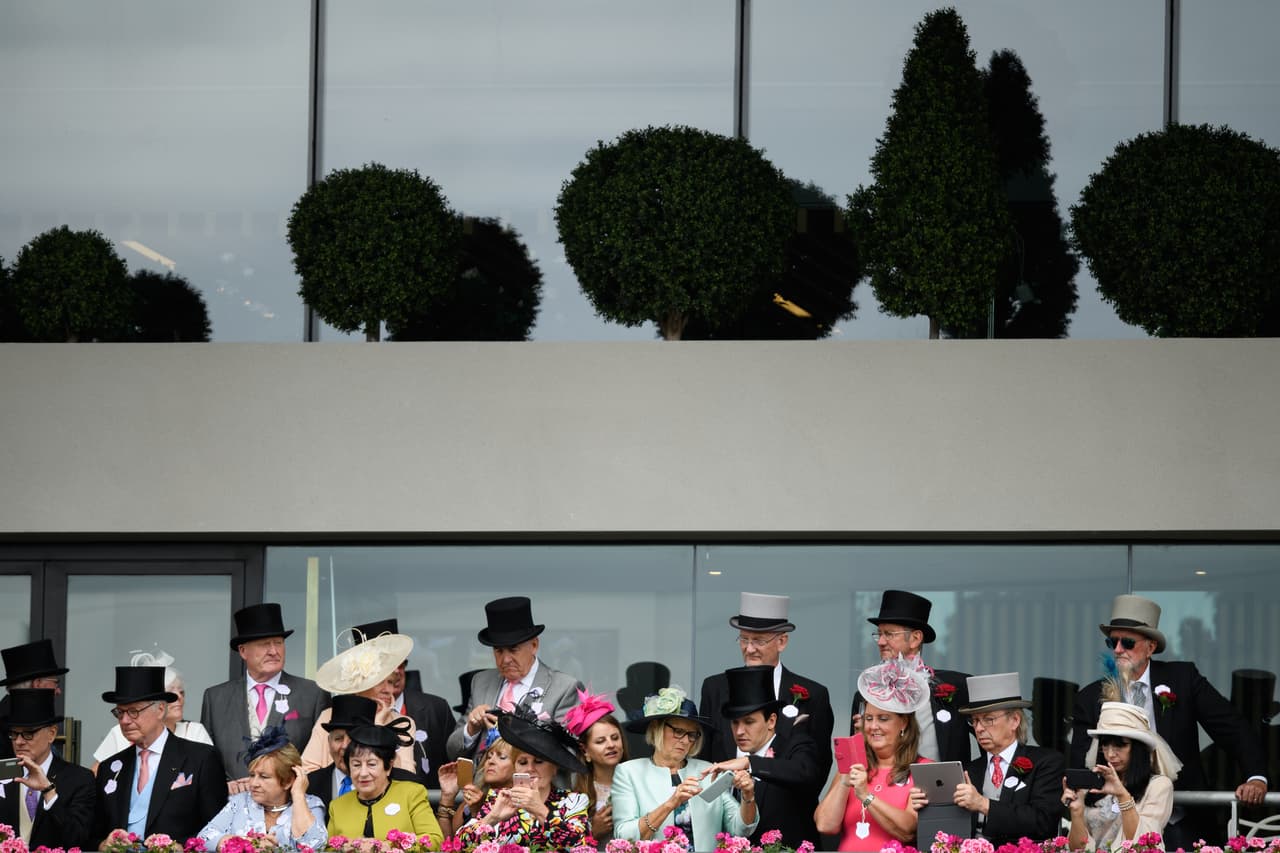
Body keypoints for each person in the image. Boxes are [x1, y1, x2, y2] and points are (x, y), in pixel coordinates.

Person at [1071, 594, 1268, 838]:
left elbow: (1232, 727)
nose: (1118, 650)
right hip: (1115, 819)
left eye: (1128, 643)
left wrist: (1256, 776)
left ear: (1151, 647)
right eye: (1113, 643)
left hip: (1178, 815)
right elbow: (1081, 760)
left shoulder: (1183, 678)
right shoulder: (1091, 696)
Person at [700, 592, 834, 783]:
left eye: (759, 641)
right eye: (744, 639)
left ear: (782, 642)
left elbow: (818, 765)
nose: (749, 648)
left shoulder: (813, 694)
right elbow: (705, 753)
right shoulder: (715, 687)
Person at [92, 666, 227, 847]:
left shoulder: (201, 758)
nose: (124, 720)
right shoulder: (110, 766)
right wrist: (103, 844)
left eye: (134, 711)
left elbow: (217, 828)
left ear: (160, 709)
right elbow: (93, 833)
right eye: (120, 712)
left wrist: (180, 846)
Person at [611, 686, 758, 851]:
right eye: (678, 731)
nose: (686, 740)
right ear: (656, 729)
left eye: (692, 734)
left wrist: (748, 796)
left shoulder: (708, 771)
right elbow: (624, 837)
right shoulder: (629, 772)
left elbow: (741, 829)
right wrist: (671, 804)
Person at [201, 603, 329, 788]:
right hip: (231, 805)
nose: (273, 651)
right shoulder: (215, 698)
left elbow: (323, 759)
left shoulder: (313, 693)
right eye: (264, 644)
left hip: (291, 806)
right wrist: (223, 786)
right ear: (243, 651)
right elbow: (207, 759)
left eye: (278, 643)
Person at [447, 597, 584, 765]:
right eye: (498, 651)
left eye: (513, 650)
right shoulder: (481, 682)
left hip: (536, 788)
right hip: (484, 788)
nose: (505, 659)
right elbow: (452, 750)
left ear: (534, 645)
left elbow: (571, 754)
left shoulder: (564, 688)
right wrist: (471, 729)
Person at [814, 657, 930, 851]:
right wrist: (845, 778)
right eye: (869, 718)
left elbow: (908, 830)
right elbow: (825, 825)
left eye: (883, 719)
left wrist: (866, 796)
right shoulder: (853, 769)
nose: (873, 727)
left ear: (904, 723)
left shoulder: (922, 768)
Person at [706, 665, 822, 848]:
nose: (739, 731)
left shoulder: (796, 744)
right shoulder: (726, 760)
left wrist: (749, 762)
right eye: (734, 723)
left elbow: (805, 771)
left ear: (772, 721)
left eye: (749, 722)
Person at [850, 590, 972, 763]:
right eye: (879, 633)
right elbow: (856, 760)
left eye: (889, 634)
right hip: (883, 788)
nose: (881, 641)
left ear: (915, 638)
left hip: (942, 788)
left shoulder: (956, 686)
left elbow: (992, 739)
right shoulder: (866, 693)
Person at [953, 672, 1064, 846]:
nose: (979, 728)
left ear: (1014, 721)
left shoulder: (1046, 762)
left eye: (988, 719)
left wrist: (984, 804)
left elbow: (1044, 822)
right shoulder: (968, 770)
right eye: (974, 721)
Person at [456, 709, 591, 848]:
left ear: (554, 768)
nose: (530, 768)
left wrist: (539, 810)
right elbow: (459, 846)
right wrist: (493, 817)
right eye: (522, 762)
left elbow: (581, 847)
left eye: (539, 762)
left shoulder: (573, 801)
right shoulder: (498, 798)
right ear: (515, 767)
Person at [1063, 702, 1181, 851]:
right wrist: (1076, 812)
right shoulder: (1093, 785)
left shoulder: (1158, 786)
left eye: (1120, 745)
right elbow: (1077, 848)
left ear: (1138, 748)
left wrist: (1122, 795)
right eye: (1105, 745)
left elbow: (1142, 844)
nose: (1111, 754)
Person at [352, 618, 455, 788]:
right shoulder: (345, 712)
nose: (397, 671)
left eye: (401, 663)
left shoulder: (435, 709)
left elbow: (450, 766)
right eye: (386, 664)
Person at [301, 630, 421, 775]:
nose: (388, 690)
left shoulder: (401, 723)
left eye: (390, 682)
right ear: (359, 687)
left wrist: (379, 729)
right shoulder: (329, 716)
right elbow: (307, 770)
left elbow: (405, 775)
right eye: (379, 682)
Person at [197, 725, 327, 851]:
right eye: (252, 775)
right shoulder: (240, 801)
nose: (253, 783)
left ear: (288, 781)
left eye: (264, 776)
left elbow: (315, 845)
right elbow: (203, 838)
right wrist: (246, 843)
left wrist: (298, 794)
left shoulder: (311, 805)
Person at [0, 689, 95, 850]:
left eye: (28, 734)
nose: (19, 742)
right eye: (14, 734)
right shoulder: (3, 773)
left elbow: (78, 838)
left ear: (51, 734)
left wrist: (48, 791)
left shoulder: (79, 779)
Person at [92, 649, 213, 772]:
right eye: (121, 712)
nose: (179, 698)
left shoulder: (195, 732)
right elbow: (97, 776)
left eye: (182, 692)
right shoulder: (120, 733)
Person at [325, 721, 443, 846]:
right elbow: (328, 848)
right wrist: (346, 848)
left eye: (371, 764)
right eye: (356, 765)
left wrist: (389, 846)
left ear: (388, 766)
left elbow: (434, 839)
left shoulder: (411, 794)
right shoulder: (337, 806)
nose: (363, 773)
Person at [564, 689, 629, 840]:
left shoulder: (639, 782)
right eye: (600, 741)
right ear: (585, 750)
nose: (611, 745)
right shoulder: (575, 796)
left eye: (615, 738)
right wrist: (593, 831)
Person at [0, 639, 68, 761]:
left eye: (29, 733)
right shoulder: (5, 722)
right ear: (38, 684)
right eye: (56, 683)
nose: (58, 691)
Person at [437, 736, 514, 837]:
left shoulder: (523, 802)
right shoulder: (472, 800)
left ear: (520, 764)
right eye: (489, 756)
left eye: (502, 757)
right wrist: (447, 797)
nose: (491, 761)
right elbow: (450, 844)